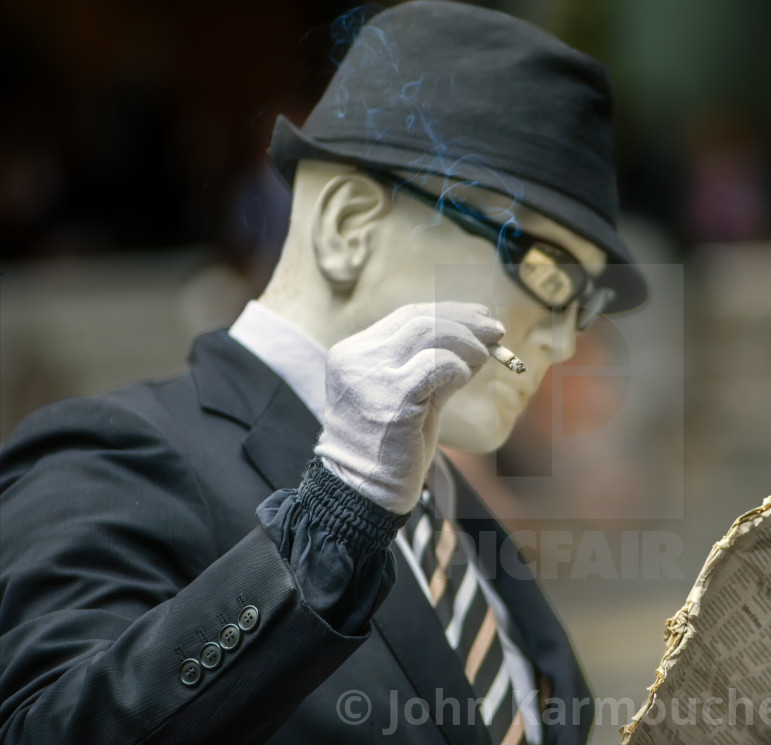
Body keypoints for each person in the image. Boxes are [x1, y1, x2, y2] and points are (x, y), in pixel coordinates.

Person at [0, 2, 647, 743]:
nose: (565, 340)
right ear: (348, 225)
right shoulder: (111, 454)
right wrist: (333, 519)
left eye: (585, 298)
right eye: (544, 267)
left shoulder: (449, 511)